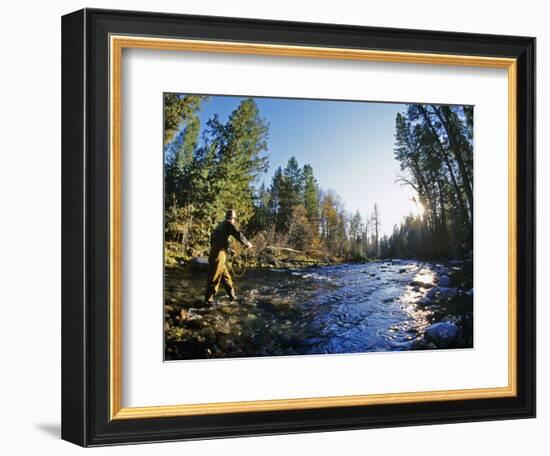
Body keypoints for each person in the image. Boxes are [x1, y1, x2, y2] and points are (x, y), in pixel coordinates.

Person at [204, 209, 253, 304]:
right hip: (218, 254)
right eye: (234, 219)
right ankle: (208, 301)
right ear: (232, 218)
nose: (234, 221)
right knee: (214, 277)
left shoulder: (220, 225)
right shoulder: (228, 223)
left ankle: (232, 296)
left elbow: (218, 241)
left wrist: (230, 251)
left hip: (217, 253)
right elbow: (237, 233)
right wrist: (247, 243)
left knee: (226, 277)